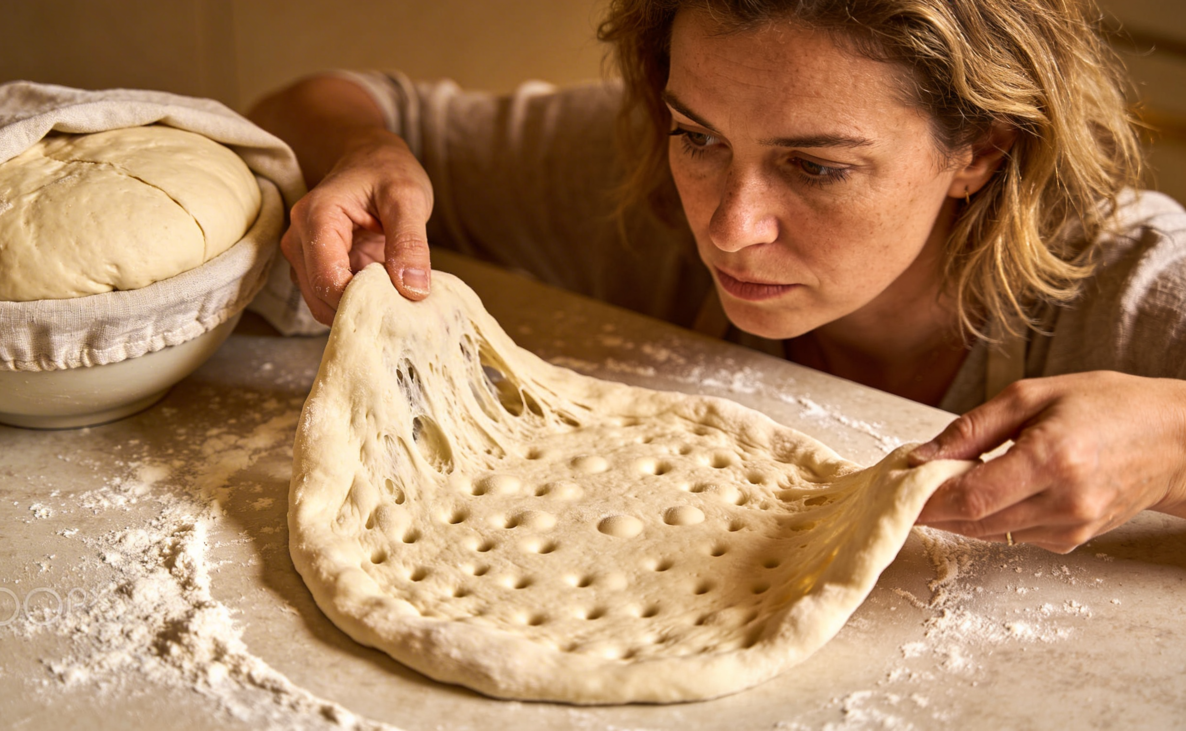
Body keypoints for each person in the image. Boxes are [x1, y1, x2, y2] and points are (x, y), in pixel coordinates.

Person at [249, 0, 1186, 553]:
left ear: (981, 148)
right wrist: (369, 152)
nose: (731, 226)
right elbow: (312, 102)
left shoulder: (1135, 285)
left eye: (815, 166)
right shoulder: (631, 180)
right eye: (697, 136)